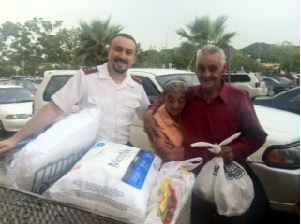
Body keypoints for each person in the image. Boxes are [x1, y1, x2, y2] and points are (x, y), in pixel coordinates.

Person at [144, 44, 269, 224]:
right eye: (201, 68)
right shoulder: (190, 95)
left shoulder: (238, 98)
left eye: (213, 68)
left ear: (223, 69)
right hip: (194, 183)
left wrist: (234, 149)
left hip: (227, 183)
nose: (206, 74)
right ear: (196, 69)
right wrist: (150, 112)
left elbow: (257, 136)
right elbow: (166, 98)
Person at [0, 33, 150, 153]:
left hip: (120, 153)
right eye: (118, 49)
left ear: (133, 58)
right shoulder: (86, 77)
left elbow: (150, 119)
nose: (122, 56)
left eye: (128, 52)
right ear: (110, 51)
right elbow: (54, 108)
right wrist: (15, 139)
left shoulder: (136, 86)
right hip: (87, 154)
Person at [151, 79, 188, 161]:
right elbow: (170, 156)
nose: (175, 105)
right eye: (171, 101)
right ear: (163, 98)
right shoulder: (156, 122)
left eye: (181, 101)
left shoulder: (190, 113)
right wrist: (197, 148)